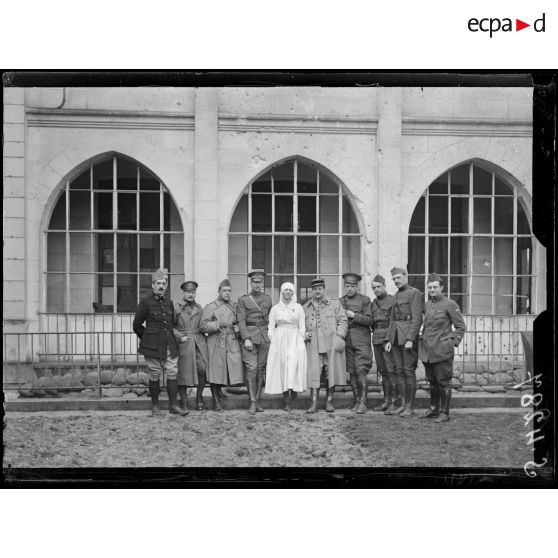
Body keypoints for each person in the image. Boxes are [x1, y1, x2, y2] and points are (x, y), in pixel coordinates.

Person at [132, 268, 187, 417]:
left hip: (169, 343)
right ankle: (155, 406)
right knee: (155, 373)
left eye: (163, 283)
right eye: (158, 283)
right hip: (152, 345)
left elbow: (171, 324)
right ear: (153, 285)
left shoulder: (169, 303)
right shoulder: (145, 303)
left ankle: (173, 405)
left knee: (172, 372)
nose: (161, 286)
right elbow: (136, 325)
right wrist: (148, 338)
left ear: (166, 285)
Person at [418, 273, 466, 423]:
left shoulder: (450, 304)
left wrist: (451, 342)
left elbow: (461, 326)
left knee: (443, 382)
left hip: (442, 350)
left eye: (435, 287)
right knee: (432, 381)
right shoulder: (428, 304)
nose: (432, 290)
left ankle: (445, 413)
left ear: (442, 288)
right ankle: (434, 409)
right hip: (428, 351)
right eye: (430, 287)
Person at [303, 278, 348, 413]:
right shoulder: (306, 307)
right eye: (315, 289)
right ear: (312, 291)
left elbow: (343, 320)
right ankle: (314, 403)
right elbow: (300, 325)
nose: (318, 291)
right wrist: (304, 332)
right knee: (313, 374)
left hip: (330, 346)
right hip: (314, 346)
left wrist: (339, 336)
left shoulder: (334, 304)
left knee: (331, 374)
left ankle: (329, 401)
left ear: (324, 289)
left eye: (320, 289)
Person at [385, 267, 424, 417]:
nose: (396, 281)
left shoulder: (414, 293)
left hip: (407, 338)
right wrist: (389, 339)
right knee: (399, 371)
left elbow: (417, 319)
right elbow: (392, 320)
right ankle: (402, 404)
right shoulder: (395, 296)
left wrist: (410, 339)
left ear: (405, 276)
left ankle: (410, 406)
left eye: (398, 278)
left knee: (408, 371)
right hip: (395, 338)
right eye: (394, 279)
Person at [200, 279, 244, 411]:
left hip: (231, 340)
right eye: (224, 290)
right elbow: (203, 326)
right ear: (219, 291)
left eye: (229, 291)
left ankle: (220, 392)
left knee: (231, 367)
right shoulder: (211, 306)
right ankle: (216, 401)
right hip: (216, 340)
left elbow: (238, 321)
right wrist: (216, 325)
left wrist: (237, 328)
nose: (227, 293)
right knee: (216, 370)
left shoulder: (234, 306)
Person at [265, 282, 308, 411]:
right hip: (280, 338)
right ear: (282, 292)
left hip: (295, 338)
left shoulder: (298, 307)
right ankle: (286, 400)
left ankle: (294, 389)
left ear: (293, 292)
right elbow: (271, 327)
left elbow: (302, 325)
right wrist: (273, 340)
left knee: (293, 365)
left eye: (290, 290)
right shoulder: (275, 308)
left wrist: (301, 339)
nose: (288, 292)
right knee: (283, 367)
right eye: (286, 290)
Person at [237, 269, 272, 414]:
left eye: (260, 282)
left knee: (260, 370)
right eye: (255, 282)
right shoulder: (243, 300)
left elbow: (271, 319)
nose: (257, 285)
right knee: (251, 370)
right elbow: (241, 320)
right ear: (251, 283)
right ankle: (252, 402)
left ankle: (257, 400)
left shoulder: (268, 299)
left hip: (264, 338)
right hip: (250, 338)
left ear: (263, 283)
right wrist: (246, 338)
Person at [339, 272, 374, 414]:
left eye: (352, 286)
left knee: (361, 370)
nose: (349, 289)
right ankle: (356, 401)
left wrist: (354, 316)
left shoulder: (365, 300)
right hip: (347, 340)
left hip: (362, 339)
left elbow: (370, 320)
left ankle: (364, 402)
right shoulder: (340, 301)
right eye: (347, 286)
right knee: (352, 372)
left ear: (357, 286)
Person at [174, 280, 209, 411]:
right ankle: (184, 401)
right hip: (184, 342)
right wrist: (180, 337)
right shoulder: (177, 307)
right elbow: (171, 327)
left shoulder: (199, 308)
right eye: (188, 292)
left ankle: (199, 397)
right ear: (183, 293)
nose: (191, 295)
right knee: (183, 373)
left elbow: (203, 324)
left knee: (203, 369)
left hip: (198, 341)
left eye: (193, 292)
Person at [370, 275, 397, 414]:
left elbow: (394, 322)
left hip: (388, 340)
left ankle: (394, 402)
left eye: (378, 287)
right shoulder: (373, 303)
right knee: (383, 371)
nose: (376, 290)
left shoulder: (393, 300)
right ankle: (386, 401)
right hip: (376, 339)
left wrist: (389, 340)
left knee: (391, 371)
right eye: (373, 288)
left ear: (384, 286)